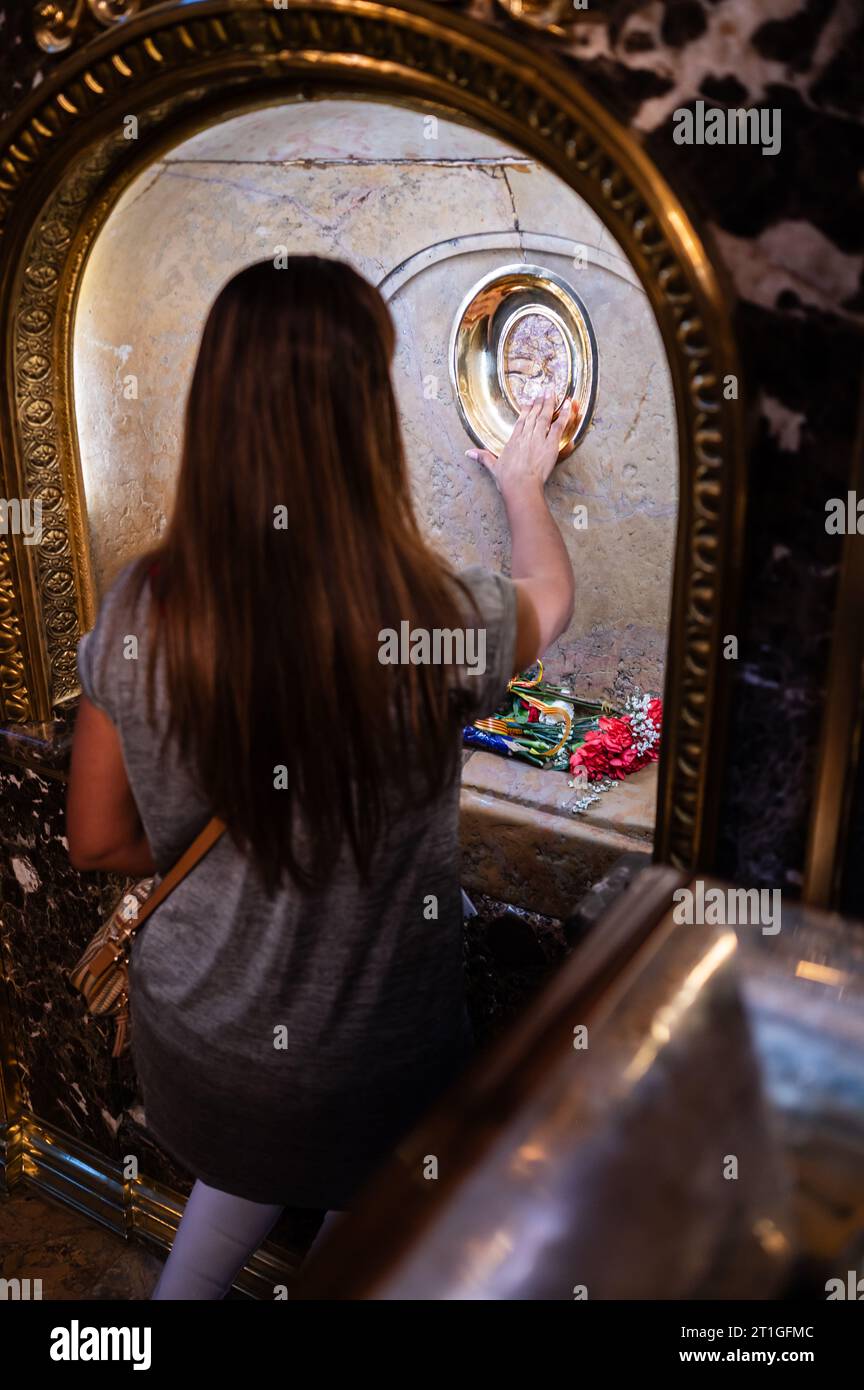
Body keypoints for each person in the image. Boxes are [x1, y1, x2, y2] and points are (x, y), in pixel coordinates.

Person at [66, 257, 575, 1299]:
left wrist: (234, 871)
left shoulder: (140, 605)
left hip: (199, 1048)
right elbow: (549, 601)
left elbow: (93, 836)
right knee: (375, 1203)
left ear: (215, 404)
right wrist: (523, 483)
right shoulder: (432, 618)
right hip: (368, 1063)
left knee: (255, 1164)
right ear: (366, 417)